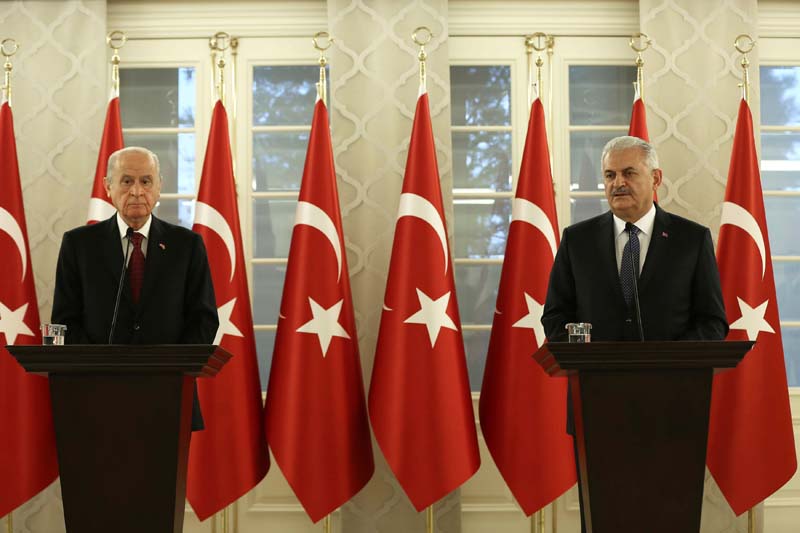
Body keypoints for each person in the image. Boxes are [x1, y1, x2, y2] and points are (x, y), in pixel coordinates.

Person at [541, 136, 728, 532]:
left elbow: (713, 322)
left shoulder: (691, 240)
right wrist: (577, 345)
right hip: (596, 409)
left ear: (656, 177)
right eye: (609, 175)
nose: (617, 183)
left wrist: (669, 362)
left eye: (628, 173)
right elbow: (555, 315)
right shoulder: (577, 240)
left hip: (674, 409)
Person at [52, 146, 218, 430]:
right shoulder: (79, 245)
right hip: (97, 397)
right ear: (108, 187)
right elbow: (65, 321)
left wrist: (168, 369)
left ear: (159, 187)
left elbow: (203, 319)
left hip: (169, 397)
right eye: (126, 181)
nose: (137, 191)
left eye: (146, 181)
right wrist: (102, 369)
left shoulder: (187, 246)